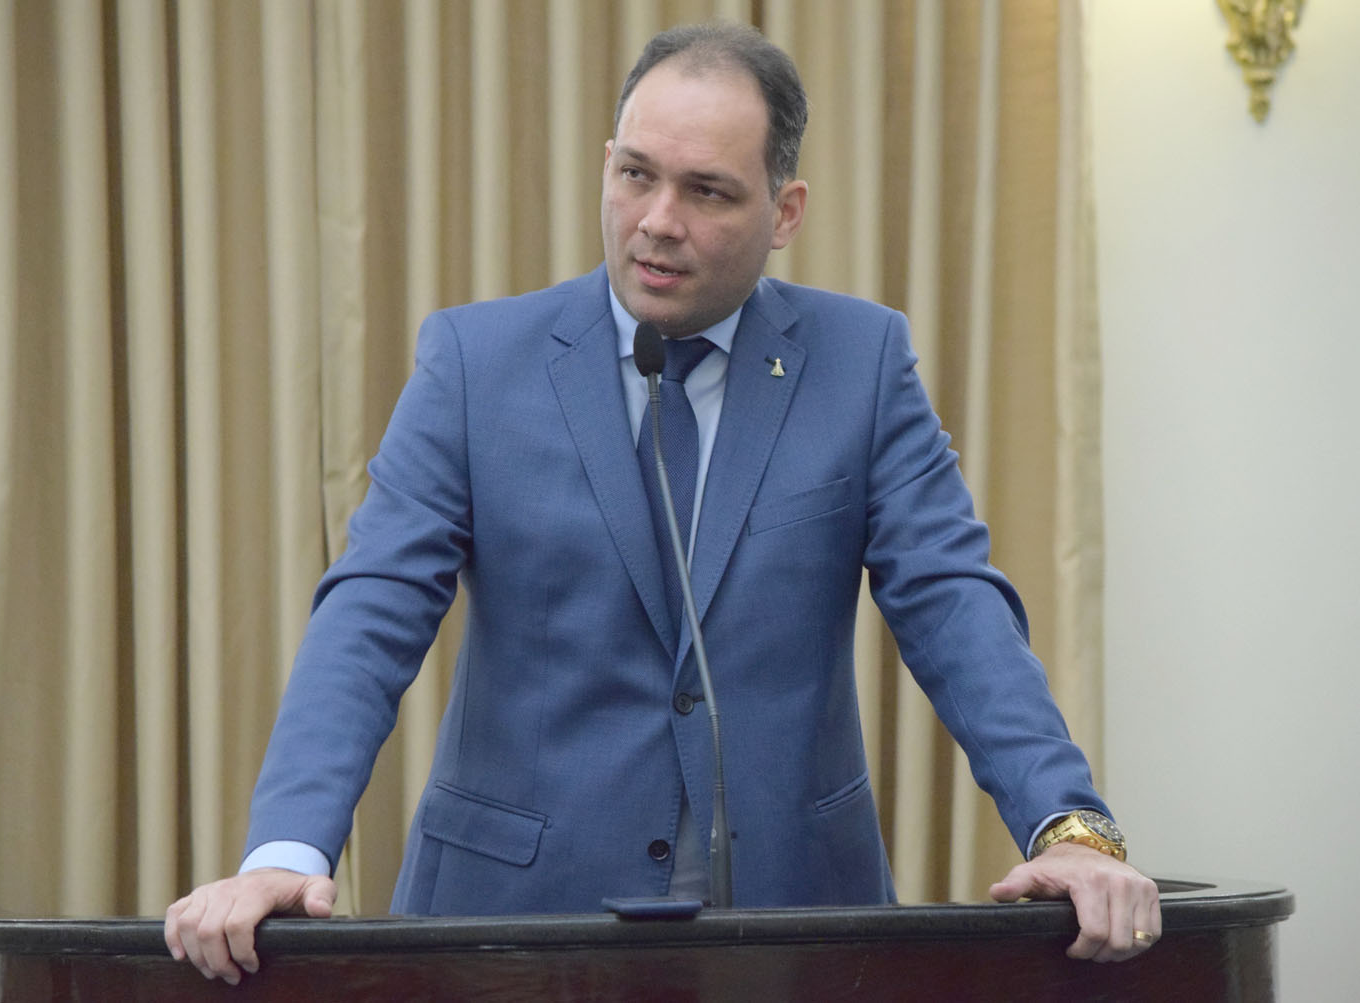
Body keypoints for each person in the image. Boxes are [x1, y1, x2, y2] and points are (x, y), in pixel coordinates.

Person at [165, 22, 1160, 985]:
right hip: (514, 927)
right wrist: (285, 847)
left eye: (707, 190)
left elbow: (954, 603)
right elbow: (371, 612)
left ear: (786, 211)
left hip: (790, 929)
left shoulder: (859, 364)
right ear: (607, 164)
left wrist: (1068, 827)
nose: (658, 221)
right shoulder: (474, 363)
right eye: (636, 174)